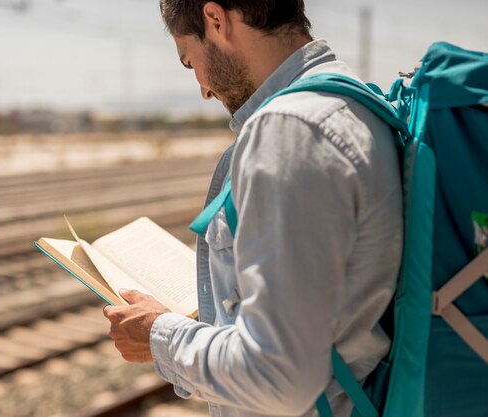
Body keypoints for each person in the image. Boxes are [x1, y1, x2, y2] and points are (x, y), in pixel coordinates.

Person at [103, 1, 403, 416]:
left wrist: (159, 335)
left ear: (215, 20)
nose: (204, 89)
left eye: (191, 62)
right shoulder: (354, 101)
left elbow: (279, 377)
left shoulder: (291, 130)